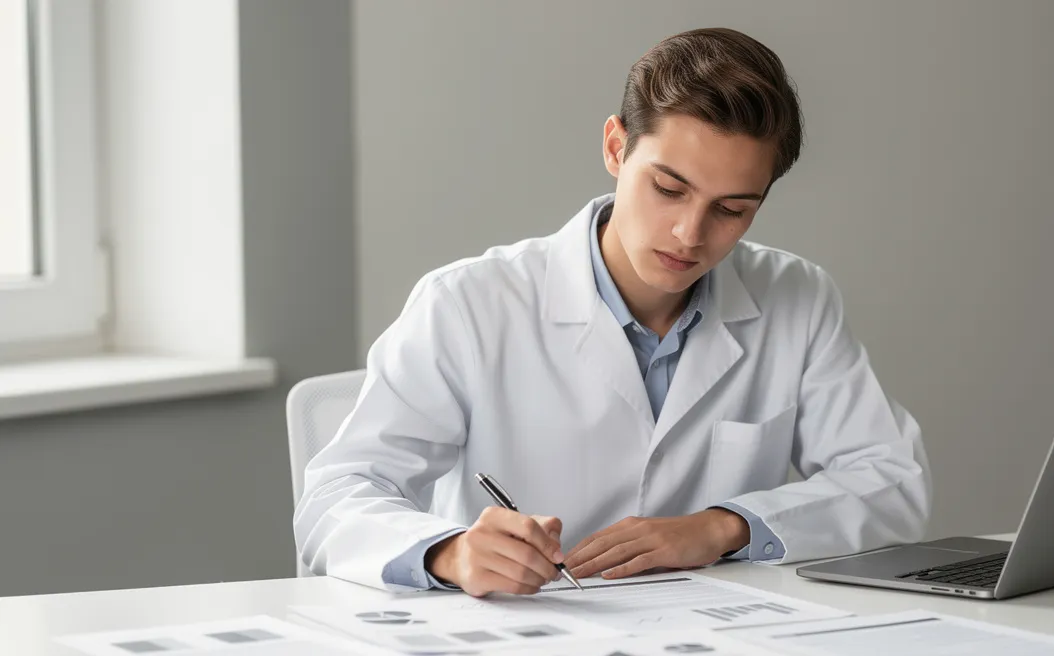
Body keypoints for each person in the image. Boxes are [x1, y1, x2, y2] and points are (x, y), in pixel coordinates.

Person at [295, 27, 930, 597]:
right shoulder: (468, 304)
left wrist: (723, 527)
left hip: (715, 649)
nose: (688, 232)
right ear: (616, 148)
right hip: (522, 643)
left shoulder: (798, 297)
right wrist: (450, 552)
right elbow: (334, 498)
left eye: (731, 209)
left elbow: (891, 482)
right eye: (668, 188)